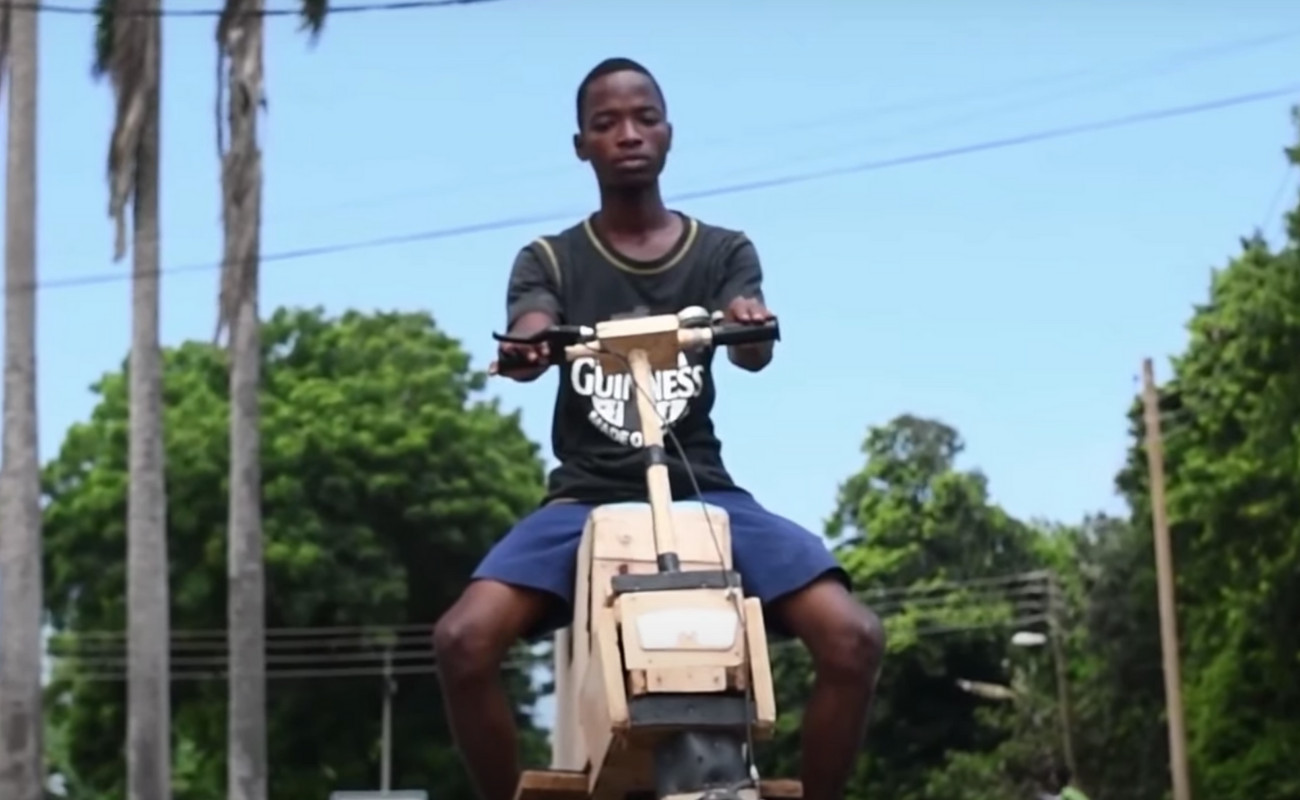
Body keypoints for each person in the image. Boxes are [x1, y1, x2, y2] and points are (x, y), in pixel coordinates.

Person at [433, 57, 885, 800]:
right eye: (606, 123)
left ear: (669, 133)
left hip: (703, 494)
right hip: (584, 501)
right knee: (461, 642)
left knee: (854, 638)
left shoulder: (720, 249)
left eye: (645, 117)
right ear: (581, 145)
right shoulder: (550, 257)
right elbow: (533, 321)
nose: (628, 134)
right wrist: (528, 344)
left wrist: (749, 322)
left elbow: (755, 343)